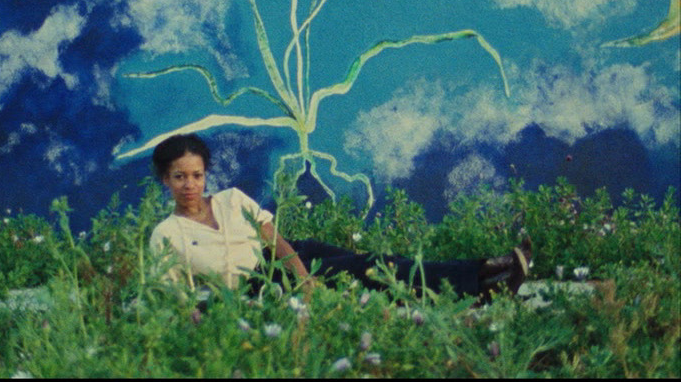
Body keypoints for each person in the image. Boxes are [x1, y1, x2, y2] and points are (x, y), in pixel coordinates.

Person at [149, 134, 531, 303]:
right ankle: (483, 280)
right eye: (179, 176)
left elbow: (273, 239)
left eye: (196, 175)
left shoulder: (231, 199)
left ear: (205, 175)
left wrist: (304, 277)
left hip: (284, 260)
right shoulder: (166, 234)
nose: (189, 185)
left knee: (380, 267)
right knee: (367, 269)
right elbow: (176, 298)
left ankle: (484, 277)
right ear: (166, 179)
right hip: (257, 288)